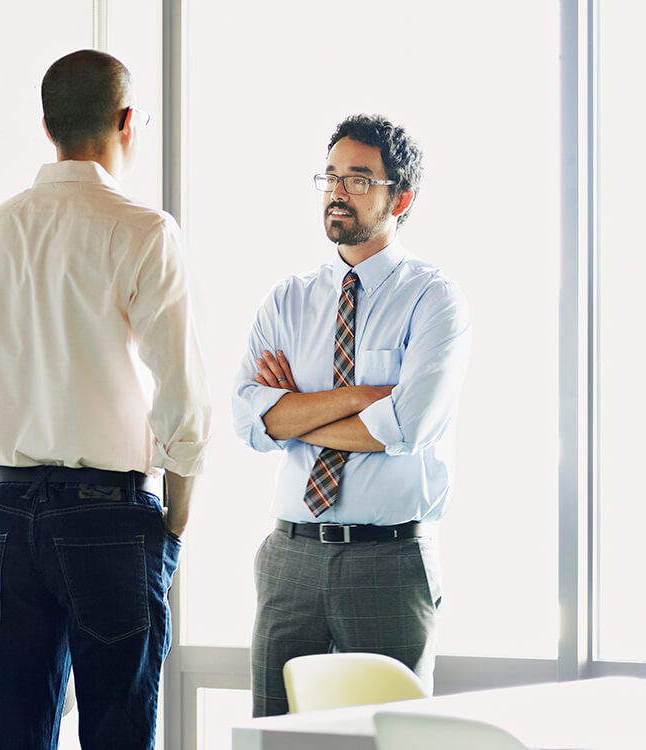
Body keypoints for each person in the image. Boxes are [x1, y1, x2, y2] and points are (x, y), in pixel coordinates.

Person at [0, 49, 211, 749]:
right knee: (116, 731)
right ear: (127, 121)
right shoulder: (142, 230)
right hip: (110, 517)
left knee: (14, 732)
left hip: (13, 514)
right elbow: (183, 400)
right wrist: (175, 523)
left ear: (46, 126)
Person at [232, 114, 471, 717]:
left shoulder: (432, 298)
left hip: (389, 561)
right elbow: (246, 421)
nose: (338, 191)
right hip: (291, 560)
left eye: (360, 179)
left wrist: (293, 414)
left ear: (402, 197)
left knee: (390, 736)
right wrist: (364, 396)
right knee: (275, 734)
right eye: (331, 176)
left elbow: (407, 426)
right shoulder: (287, 299)